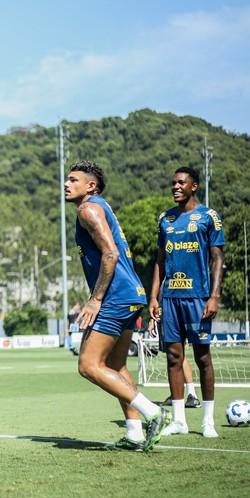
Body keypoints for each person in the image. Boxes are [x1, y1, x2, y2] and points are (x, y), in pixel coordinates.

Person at [65, 161, 169, 452]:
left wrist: (95, 299)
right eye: (67, 179)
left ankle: (153, 413)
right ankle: (134, 434)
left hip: (116, 297)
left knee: (88, 365)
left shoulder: (88, 209)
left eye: (74, 180)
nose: (66, 184)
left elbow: (110, 254)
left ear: (91, 186)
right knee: (116, 365)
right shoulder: (102, 206)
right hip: (131, 293)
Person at [149, 166, 224, 438]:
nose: (175, 187)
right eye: (173, 183)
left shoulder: (208, 217)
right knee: (173, 357)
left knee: (202, 357)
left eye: (181, 183)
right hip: (170, 298)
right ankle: (180, 421)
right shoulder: (165, 219)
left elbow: (217, 259)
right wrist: (153, 297)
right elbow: (159, 262)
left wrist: (214, 296)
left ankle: (208, 421)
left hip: (198, 297)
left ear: (194, 186)